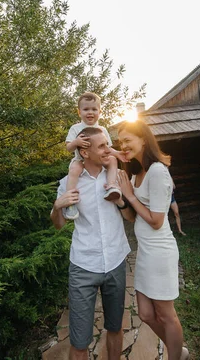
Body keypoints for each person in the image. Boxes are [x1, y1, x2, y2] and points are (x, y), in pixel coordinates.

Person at [51, 127, 134, 360]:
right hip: (83, 266)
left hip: (116, 261)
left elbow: (130, 218)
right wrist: (58, 206)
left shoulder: (117, 177)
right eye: (102, 146)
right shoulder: (69, 182)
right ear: (85, 152)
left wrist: (121, 202)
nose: (109, 150)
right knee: (79, 340)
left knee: (116, 327)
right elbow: (58, 224)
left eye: (108, 144)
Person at [116, 120, 189, 360]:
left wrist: (129, 195)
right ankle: (179, 350)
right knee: (146, 314)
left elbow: (157, 220)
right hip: (145, 253)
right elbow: (132, 217)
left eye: (128, 140)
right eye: (120, 142)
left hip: (160, 252)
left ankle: (176, 355)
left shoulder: (157, 171)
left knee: (167, 315)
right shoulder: (136, 173)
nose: (123, 145)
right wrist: (121, 201)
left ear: (143, 140)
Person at [63, 92, 126, 220]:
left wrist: (117, 153)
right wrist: (76, 142)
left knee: (112, 160)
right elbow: (69, 148)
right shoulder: (76, 128)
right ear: (79, 112)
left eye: (94, 109)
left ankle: (111, 186)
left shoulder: (102, 129)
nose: (90, 112)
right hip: (81, 160)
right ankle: (71, 202)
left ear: (100, 111)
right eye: (86, 109)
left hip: (99, 159)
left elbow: (106, 148)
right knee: (75, 169)